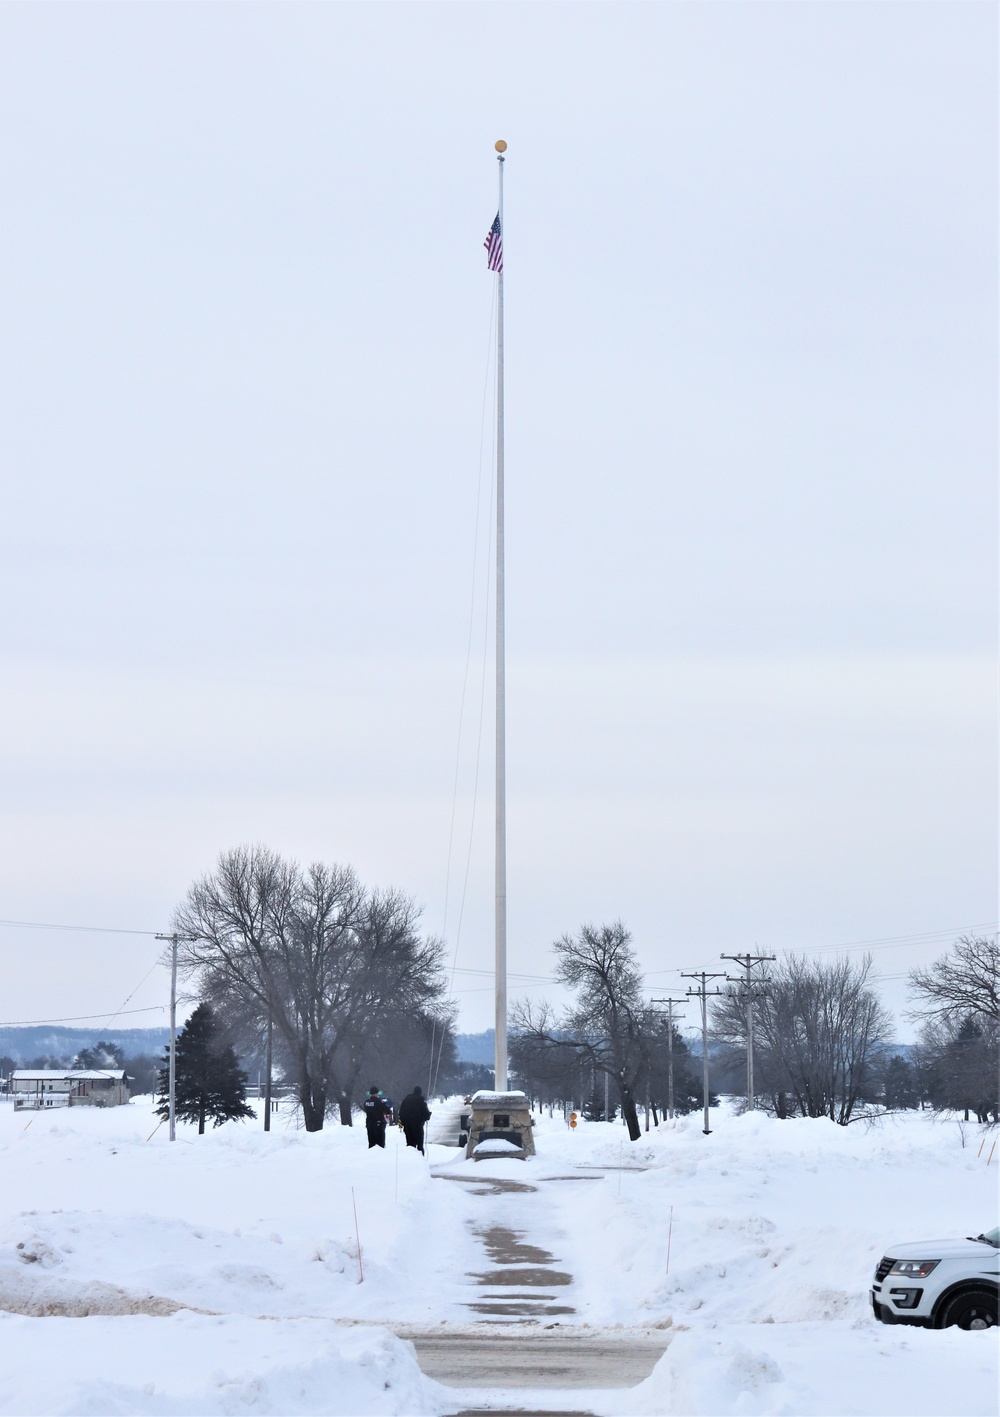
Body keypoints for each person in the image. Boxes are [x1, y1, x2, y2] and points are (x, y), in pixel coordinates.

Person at [398, 1085, 432, 1153]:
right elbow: (426, 1114)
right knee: (419, 1145)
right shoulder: (421, 1100)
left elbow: (400, 1112)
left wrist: (401, 1125)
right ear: (420, 1092)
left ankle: (411, 1159)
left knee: (410, 1145)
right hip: (417, 1126)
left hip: (407, 1126)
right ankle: (420, 1160)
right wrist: (428, 1115)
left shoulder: (406, 1099)